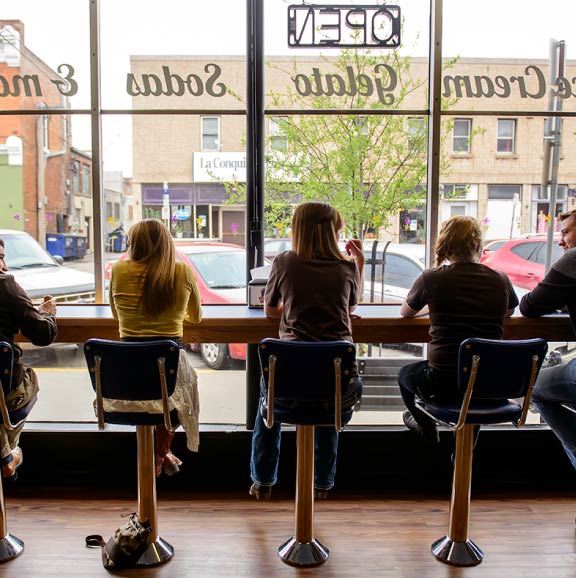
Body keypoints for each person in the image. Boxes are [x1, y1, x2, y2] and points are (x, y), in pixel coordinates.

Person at [249, 201, 364, 500]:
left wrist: (293, 307)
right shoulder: (347, 266)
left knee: (268, 396)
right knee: (330, 396)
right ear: (331, 231)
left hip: (290, 381)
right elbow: (350, 306)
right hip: (336, 384)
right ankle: (323, 483)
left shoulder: (285, 262)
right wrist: (359, 265)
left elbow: (271, 311)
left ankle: (263, 479)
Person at [398, 216, 518, 443]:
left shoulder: (432, 278)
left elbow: (406, 312)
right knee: (475, 381)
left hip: (443, 383)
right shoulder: (500, 279)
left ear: (446, 245)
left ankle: (424, 424)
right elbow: (509, 311)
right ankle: (464, 450)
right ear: (477, 245)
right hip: (492, 383)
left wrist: (431, 309)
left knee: (405, 375)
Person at [108, 219, 202, 476]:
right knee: (174, 396)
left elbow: (116, 316)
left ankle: (158, 455)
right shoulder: (181, 271)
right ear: (166, 243)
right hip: (168, 362)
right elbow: (196, 317)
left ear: (133, 243)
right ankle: (160, 454)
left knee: (161, 394)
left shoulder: (117, 270)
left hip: (127, 371)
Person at [519, 208, 576, 471]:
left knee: (536, 389)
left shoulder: (573, 259)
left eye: (566, 231)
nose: (561, 239)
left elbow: (530, 306)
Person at [0, 238, 57, 480]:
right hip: (5, 392)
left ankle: (5, 456)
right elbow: (42, 334)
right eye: (0, 258)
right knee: (26, 381)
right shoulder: (5, 285)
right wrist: (48, 314)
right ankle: (6, 456)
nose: (4, 265)